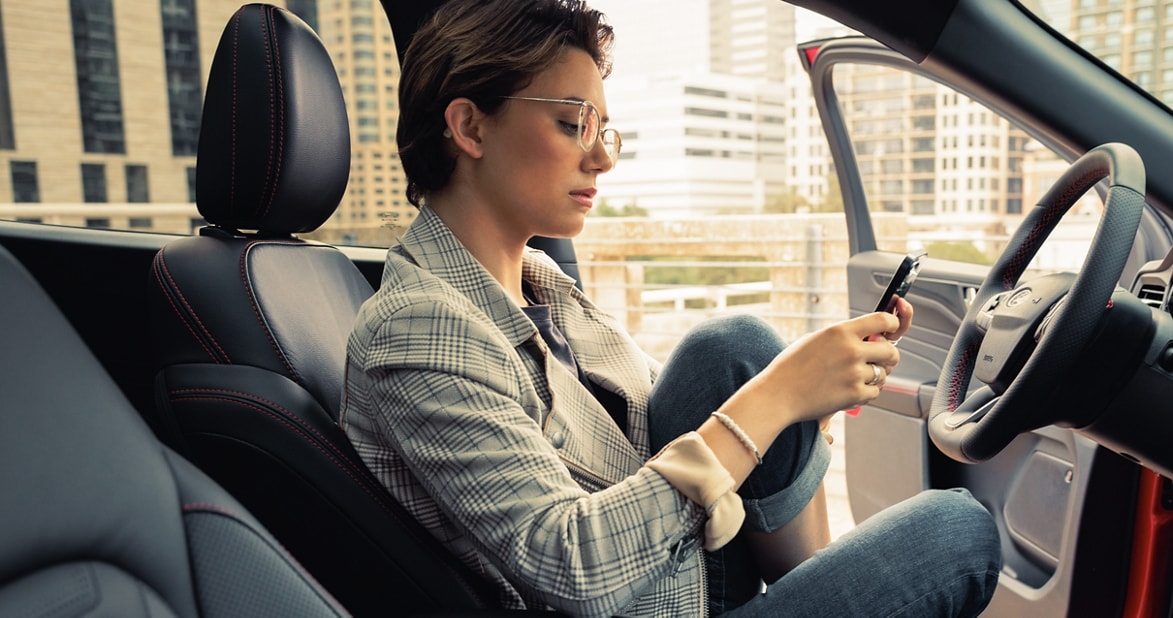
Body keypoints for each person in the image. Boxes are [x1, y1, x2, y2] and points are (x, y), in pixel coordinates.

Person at [340, 0, 1001, 615]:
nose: (601, 158)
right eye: (574, 124)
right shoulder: (417, 330)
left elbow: (669, 405)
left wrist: (804, 386)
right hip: (629, 590)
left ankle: (810, 587)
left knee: (733, 344)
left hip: (673, 570)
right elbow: (569, 565)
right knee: (957, 530)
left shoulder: (536, 280)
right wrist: (776, 399)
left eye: (605, 130)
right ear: (470, 126)